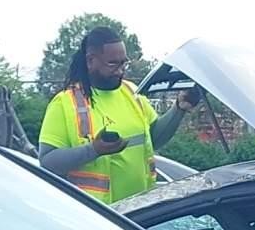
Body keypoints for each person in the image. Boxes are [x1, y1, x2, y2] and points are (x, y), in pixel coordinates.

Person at [35, 26, 199, 203]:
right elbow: (48, 161)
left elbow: (154, 138)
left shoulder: (131, 93)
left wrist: (179, 109)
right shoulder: (65, 103)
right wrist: (94, 150)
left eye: (124, 63)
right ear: (91, 61)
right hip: (96, 215)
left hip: (142, 210)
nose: (120, 70)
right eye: (113, 64)